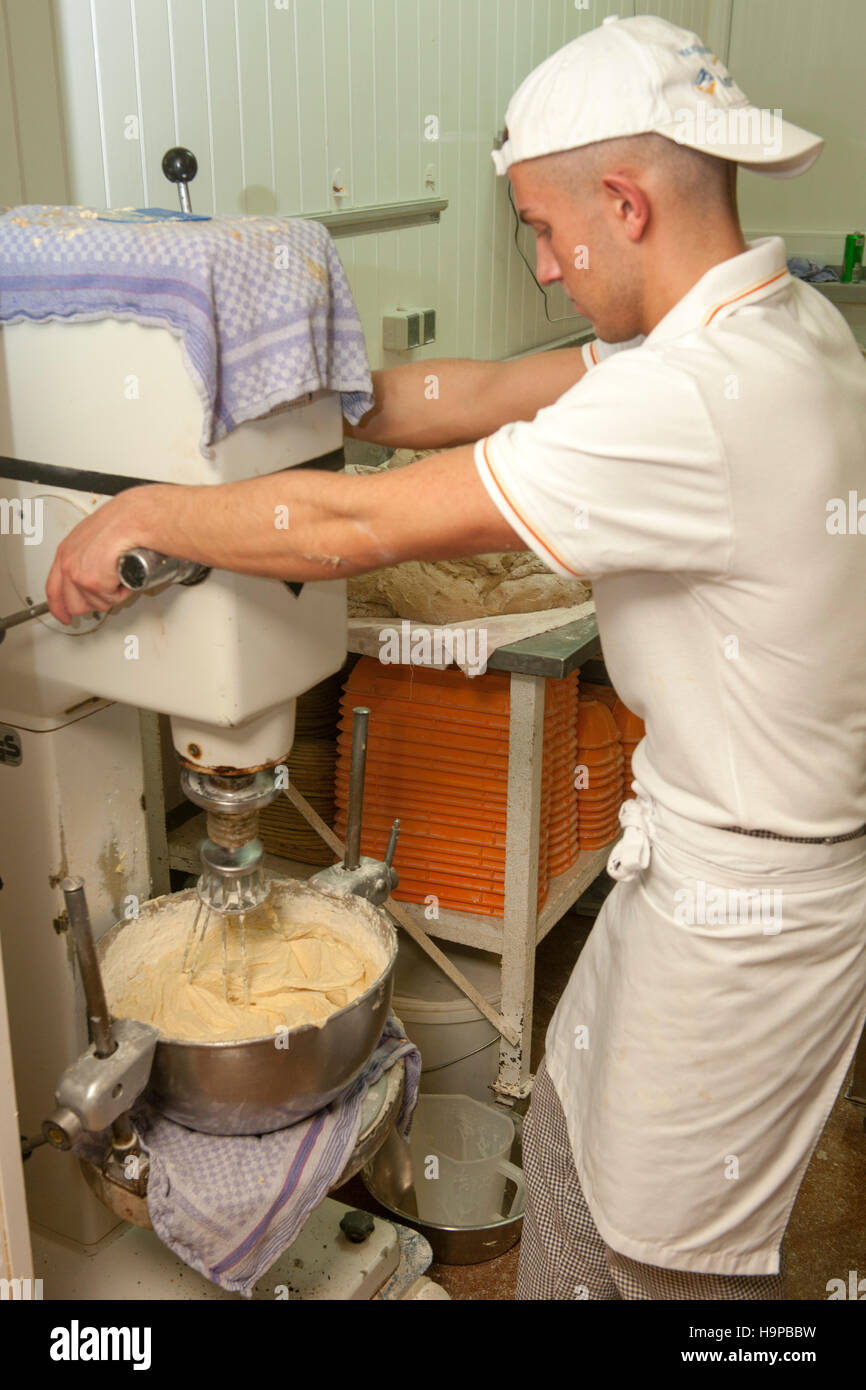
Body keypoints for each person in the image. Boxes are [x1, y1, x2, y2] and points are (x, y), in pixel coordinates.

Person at [45, 15, 866, 1300]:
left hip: (747, 920)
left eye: (543, 230)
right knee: (566, 1152)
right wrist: (312, 386)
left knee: (678, 1268)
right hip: (698, 863)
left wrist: (140, 517)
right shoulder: (767, 326)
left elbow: (350, 524)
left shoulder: (692, 399)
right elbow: (478, 392)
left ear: (623, 203)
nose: (539, 266)